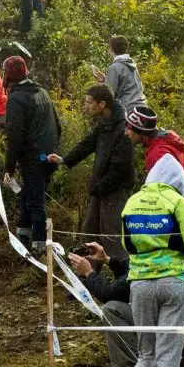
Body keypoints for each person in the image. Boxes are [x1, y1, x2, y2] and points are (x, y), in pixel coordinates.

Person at [116, 154, 184, 367]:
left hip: (139, 283)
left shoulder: (131, 202)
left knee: (146, 353)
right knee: (168, 352)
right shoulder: (178, 202)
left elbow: (127, 246)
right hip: (174, 281)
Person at [68, 244, 184, 367]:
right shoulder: (171, 253)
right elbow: (130, 272)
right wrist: (107, 259)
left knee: (112, 310)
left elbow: (110, 293)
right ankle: (178, 364)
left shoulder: (152, 264)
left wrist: (89, 272)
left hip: (179, 338)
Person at [47, 84, 135, 260]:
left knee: (112, 236)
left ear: (102, 104)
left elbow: (120, 169)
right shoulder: (104, 122)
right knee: (90, 232)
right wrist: (65, 159)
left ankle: (122, 278)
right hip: (100, 188)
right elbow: (89, 143)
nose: (85, 106)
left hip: (115, 190)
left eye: (89, 102)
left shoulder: (123, 129)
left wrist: (98, 186)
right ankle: (88, 275)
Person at [2, 55, 61, 254]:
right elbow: (58, 125)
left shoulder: (16, 99)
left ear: (9, 77)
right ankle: (24, 233)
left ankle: (40, 246)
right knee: (29, 193)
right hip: (49, 155)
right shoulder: (42, 92)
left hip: (34, 157)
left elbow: (15, 138)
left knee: (36, 201)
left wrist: (8, 168)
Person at [125, 106, 184, 220]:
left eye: (128, 128)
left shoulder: (158, 153)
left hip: (179, 214)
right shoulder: (166, 142)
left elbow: (164, 195)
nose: (125, 132)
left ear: (140, 131)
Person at [91, 35, 147, 112]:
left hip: (127, 110)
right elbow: (126, 87)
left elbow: (108, 95)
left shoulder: (114, 67)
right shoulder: (132, 63)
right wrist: (104, 80)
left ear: (111, 49)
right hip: (142, 108)